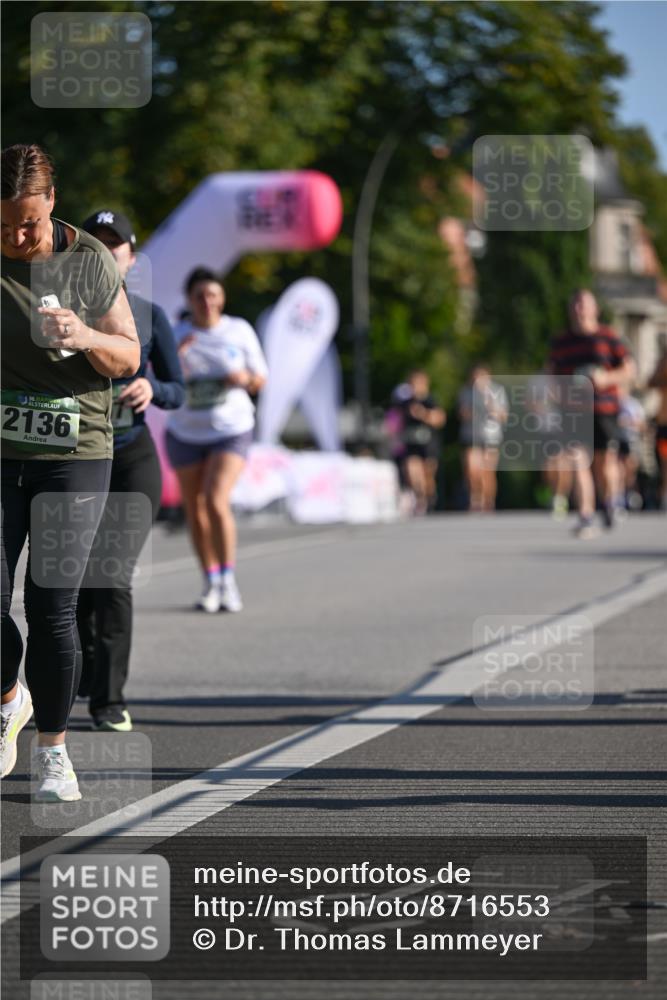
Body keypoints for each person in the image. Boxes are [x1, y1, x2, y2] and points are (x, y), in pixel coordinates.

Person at [0, 144, 140, 799]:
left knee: (51, 609)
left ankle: (52, 751)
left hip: (74, 456)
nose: (15, 237)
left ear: (51, 202)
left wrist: (84, 335)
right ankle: (10, 695)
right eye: (2, 225)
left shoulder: (87, 263)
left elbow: (128, 355)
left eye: (26, 224)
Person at [76, 209, 185, 732]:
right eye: (94, 243)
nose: (105, 253)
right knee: (71, 578)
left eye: (113, 246)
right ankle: (82, 670)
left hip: (132, 459)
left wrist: (153, 389)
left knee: (112, 575)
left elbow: (177, 388)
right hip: (75, 459)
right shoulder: (57, 311)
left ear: (130, 258)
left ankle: (109, 700)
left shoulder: (149, 315)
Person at [166, 267, 268, 612]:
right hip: (186, 431)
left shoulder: (238, 330)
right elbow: (157, 381)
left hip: (230, 429)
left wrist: (245, 378)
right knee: (194, 509)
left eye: (212, 294)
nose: (206, 302)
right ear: (189, 300)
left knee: (214, 499)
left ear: (222, 298)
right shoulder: (177, 333)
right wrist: (174, 358)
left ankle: (228, 579)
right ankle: (210, 580)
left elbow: (261, 380)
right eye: (199, 296)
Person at [549, 289, 635, 537]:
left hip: (604, 409)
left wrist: (606, 377)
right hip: (574, 412)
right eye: (575, 304)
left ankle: (609, 501)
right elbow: (552, 375)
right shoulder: (561, 342)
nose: (579, 310)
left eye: (584, 305)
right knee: (578, 461)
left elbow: (630, 369)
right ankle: (586, 515)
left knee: (604, 463)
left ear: (594, 309)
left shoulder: (608, 337)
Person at [388, 371, 446, 514]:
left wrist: (423, 414)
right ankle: (418, 499)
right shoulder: (404, 403)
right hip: (411, 444)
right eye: (413, 384)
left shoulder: (430, 400)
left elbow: (439, 420)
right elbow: (393, 421)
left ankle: (429, 498)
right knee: (412, 471)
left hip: (428, 444)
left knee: (427, 475)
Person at [458, 365, 508, 512]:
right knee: (472, 469)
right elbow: (462, 415)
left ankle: (488, 501)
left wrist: (489, 404)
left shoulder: (497, 391)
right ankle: (475, 498)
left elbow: (504, 417)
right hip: (471, 435)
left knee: (487, 471)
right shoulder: (466, 392)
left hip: (491, 436)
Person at [647, 342, 667, 510]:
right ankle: (665, 493)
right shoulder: (662, 362)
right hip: (664, 421)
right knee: (664, 459)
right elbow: (651, 382)